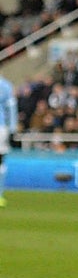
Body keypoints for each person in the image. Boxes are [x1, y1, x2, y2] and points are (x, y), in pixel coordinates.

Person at [0, 74, 16, 208]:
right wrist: (12, 129)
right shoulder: (5, 85)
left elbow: (11, 107)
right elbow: (11, 108)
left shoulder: (5, 85)